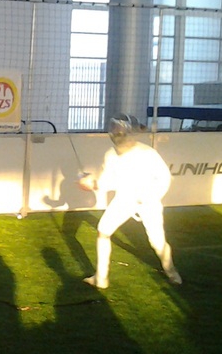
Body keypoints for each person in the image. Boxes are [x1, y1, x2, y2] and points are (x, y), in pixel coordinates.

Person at [77, 114, 182, 289]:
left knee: (157, 242)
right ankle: (101, 278)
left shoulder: (147, 153)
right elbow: (107, 182)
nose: (117, 134)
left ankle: (172, 273)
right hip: (124, 200)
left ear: (130, 131)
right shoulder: (110, 155)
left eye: (120, 130)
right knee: (103, 231)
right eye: (114, 130)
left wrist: (149, 197)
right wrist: (91, 183)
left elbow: (164, 178)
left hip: (148, 203)